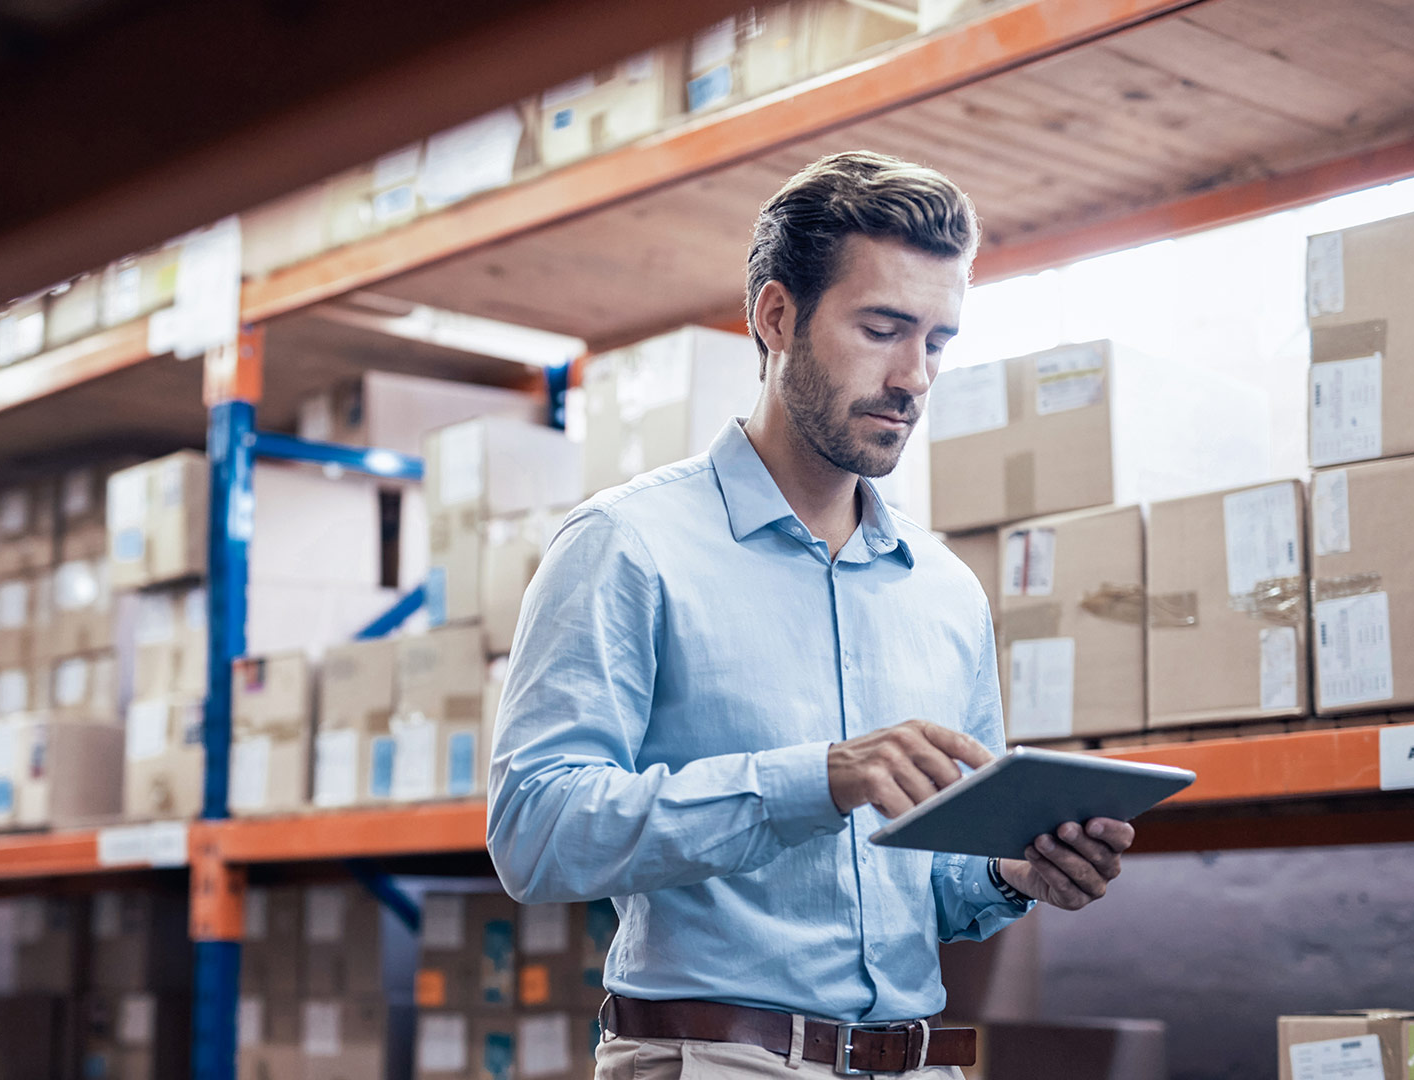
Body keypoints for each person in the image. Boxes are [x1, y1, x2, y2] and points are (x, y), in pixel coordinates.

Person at [485, 150, 1136, 1079]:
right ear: (777, 317)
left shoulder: (945, 590)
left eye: (939, 341)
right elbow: (535, 832)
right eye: (883, 328)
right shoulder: (627, 545)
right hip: (716, 1062)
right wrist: (818, 779)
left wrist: (1010, 875)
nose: (915, 376)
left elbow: (932, 882)